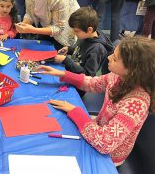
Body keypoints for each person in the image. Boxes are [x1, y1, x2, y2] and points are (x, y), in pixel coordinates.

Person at [37, 36, 155, 166]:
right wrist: (63, 74)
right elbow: (93, 83)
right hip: (99, 128)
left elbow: (105, 143)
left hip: (110, 156)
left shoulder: (136, 104)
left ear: (133, 71)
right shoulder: (117, 77)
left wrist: (75, 112)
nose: (109, 58)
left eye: (115, 59)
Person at [55, 7, 114, 96]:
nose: (75, 33)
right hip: (71, 75)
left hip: (78, 87)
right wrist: (69, 49)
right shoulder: (85, 36)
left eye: (76, 31)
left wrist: (66, 60)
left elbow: (87, 75)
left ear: (89, 29)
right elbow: (80, 51)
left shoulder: (97, 49)